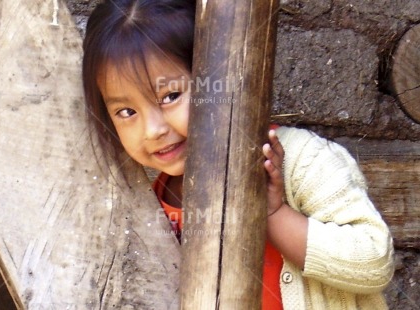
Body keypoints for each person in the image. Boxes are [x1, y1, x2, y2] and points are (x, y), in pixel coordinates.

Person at [82, 0, 394, 309]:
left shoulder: (302, 161)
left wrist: (272, 215)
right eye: (126, 111)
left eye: (170, 95)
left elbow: (373, 262)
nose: (152, 130)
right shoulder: (150, 206)